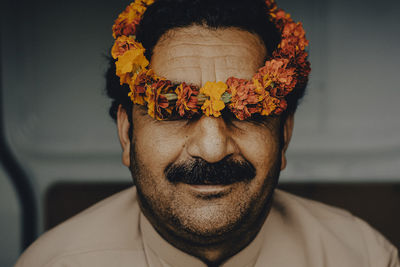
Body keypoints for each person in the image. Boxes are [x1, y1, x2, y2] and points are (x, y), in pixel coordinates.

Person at [15, 0, 399, 266]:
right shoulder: (53, 264)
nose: (213, 148)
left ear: (285, 134)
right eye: (173, 110)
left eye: (247, 111)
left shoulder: (364, 258)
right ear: (127, 133)